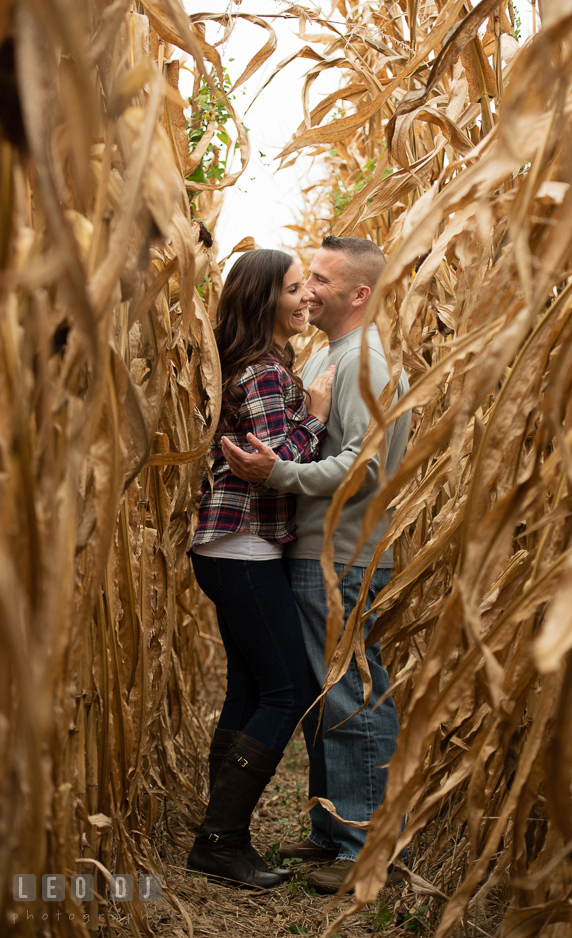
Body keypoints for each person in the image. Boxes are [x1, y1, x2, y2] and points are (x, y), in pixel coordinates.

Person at [221, 235, 411, 894]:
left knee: (354, 698)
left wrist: (280, 473)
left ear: (359, 293)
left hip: (342, 558)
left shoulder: (364, 362)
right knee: (333, 699)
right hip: (323, 554)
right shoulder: (335, 354)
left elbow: (365, 468)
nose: (311, 291)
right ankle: (333, 830)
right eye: (307, 280)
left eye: (323, 279)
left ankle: (362, 849)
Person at [187, 248, 335, 889]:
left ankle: (219, 833)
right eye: (297, 288)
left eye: (308, 287)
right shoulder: (263, 374)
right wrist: (320, 413)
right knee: (289, 690)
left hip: (230, 549)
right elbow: (277, 462)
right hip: (243, 546)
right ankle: (221, 841)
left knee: (249, 690)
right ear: (263, 299)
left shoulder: (256, 366)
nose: (307, 298)